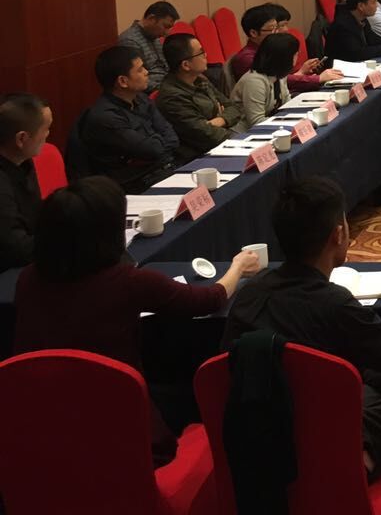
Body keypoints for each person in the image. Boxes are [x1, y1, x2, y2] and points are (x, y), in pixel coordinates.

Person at [223, 177, 381, 478]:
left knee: (368, 376)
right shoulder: (333, 304)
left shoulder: (249, 295)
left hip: (258, 441)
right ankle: (366, 451)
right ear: (338, 234)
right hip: (325, 443)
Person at [15, 176, 260, 465]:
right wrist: (238, 267)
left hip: (39, 419)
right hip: (118, 420)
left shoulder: (27, 279)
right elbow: (210, 299)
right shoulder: (128, 282)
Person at [80, 47, 179, 193]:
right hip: (134, 186)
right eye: (140, 70)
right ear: (123, 81)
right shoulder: (106, 117)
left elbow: (172, 138)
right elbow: (152, 150)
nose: (146, 72)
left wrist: (155, 143)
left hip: (163, 169)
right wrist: (157, 142)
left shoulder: (141, 98)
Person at [155, 33, 246, 163]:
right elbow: (206, 134)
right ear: (186, 65)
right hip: (199, 157)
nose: (206, 55)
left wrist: (220, 120)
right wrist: (238, 140)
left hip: (222, 143)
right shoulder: (173, 97)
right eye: (201, 53)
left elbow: (234, 108)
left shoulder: (200, 80)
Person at [229, 4, 339, 91]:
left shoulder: (270, 49)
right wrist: (318, 79)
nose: (277, 32)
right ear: (253, 33)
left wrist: (302, 72)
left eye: (277, 27)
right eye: (272, 29)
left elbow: (281, 79)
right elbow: (276, 81)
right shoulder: (246, 58)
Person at [0, 94, 51, 272]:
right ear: (21, 139)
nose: (48, 135)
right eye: (46, 129)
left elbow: (34, 217)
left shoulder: (21, 161)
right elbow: (16, 248)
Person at [230, 32, 297, 129]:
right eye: (295, 54)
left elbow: (287, 105)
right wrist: (287, 123)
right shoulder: (254, 81)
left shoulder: (279, 75)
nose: (297, 56)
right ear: (284, 58)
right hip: (245, 132)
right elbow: (256, 121)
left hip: (272, 126)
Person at [118, 1, 179, 91]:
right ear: (152, 19)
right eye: (166, 26)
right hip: (154, 91)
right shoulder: (130, 40)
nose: (167, 33)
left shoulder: (154, 35)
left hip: (167, 84)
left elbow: (165, 67)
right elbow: (136, 80)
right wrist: (171, 88)